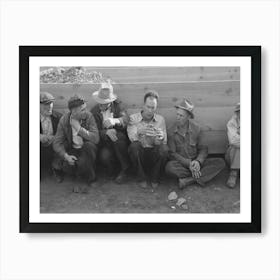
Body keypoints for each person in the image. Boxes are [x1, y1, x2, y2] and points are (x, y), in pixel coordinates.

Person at [165, 99, 225, 189]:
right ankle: (200, 176)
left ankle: (188, 180)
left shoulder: (196, 128)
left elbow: (203, 148)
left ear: (188, 116)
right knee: (169, 167)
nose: (178, 117)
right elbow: (172, 154)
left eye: (181, 115)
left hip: (196, 163)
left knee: (220, 162)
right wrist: (189, 164)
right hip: (182, 164)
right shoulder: (171, 131)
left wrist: (198, 162)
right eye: (177, 114)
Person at [52, 95, 100, 193]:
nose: (84, 112)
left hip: (87, 149)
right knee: (67, 166)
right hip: (73, 149)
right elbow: (57, 142)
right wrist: (66, 156)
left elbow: (96, 139)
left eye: (84, 109)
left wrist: (78, 128)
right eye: (81, 110)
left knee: (89, 147)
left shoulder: (89, 116)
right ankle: (85, 174)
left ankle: (88, 178)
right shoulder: (64, 120)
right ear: (73, 111)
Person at [127, 90, 168, 189]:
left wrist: (159, 139)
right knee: (134, 147)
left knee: (164, 149)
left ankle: (155, 177)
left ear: (156, 107)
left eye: (153, 107)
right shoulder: (133, 118)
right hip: (140, 155)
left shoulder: (160, 119)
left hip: (153, 154)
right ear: (143, 106)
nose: (150, 110)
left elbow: (164, 142)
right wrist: (140, 131)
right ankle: (141, 178)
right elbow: (132, 138)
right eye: (148, 107)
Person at [91, 82, 130, 183]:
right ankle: (112, 171)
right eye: (100, 102)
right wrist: (105, 132)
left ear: (110, 101)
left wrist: (116, 121)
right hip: (105, 143)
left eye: (104, 102)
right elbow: (93, 132)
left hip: (120, 141)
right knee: (105, 156)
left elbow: (126, 120)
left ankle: (125, 170)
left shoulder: (118, 106)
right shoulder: (94, 111)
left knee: (118, 137)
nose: (101, 105)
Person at [40, 92, 62, 180]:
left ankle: (56, 168)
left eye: (51, 103)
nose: (49, 106)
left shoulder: (59, 117)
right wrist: (39, 137)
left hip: (54, 147)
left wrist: (55, 138)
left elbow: (65, 134)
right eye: (46, 104)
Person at [225, 103, 240, 188]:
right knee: (238, 147)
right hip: (233, 155)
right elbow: (233, 141)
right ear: (237, 113)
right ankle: (233, 172)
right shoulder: (232, 123)